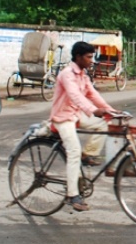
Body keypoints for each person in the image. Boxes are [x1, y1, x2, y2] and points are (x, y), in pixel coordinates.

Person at [50, 41, 117, 211]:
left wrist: (111, 111)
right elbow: (75, 96)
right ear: (78, 57)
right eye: (88, 57)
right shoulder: (67, 74)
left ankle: (88, 154)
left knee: (104, 122)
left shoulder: (83, 75)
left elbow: (93, 95)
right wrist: (93, 110)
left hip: (76, 115)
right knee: (74, 152)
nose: (91, 60)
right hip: (63, 117)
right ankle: (72, 195)